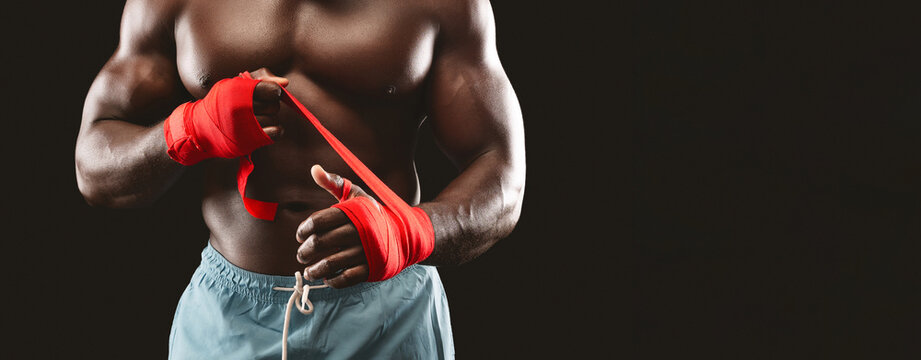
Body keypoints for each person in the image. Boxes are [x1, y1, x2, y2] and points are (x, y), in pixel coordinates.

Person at [75, 0, 525, 358]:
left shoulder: (443, 4)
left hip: (388, 316)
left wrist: (408, 234)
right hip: (228, 320)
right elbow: (94, 167)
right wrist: (189, 131)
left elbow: (502, 172)